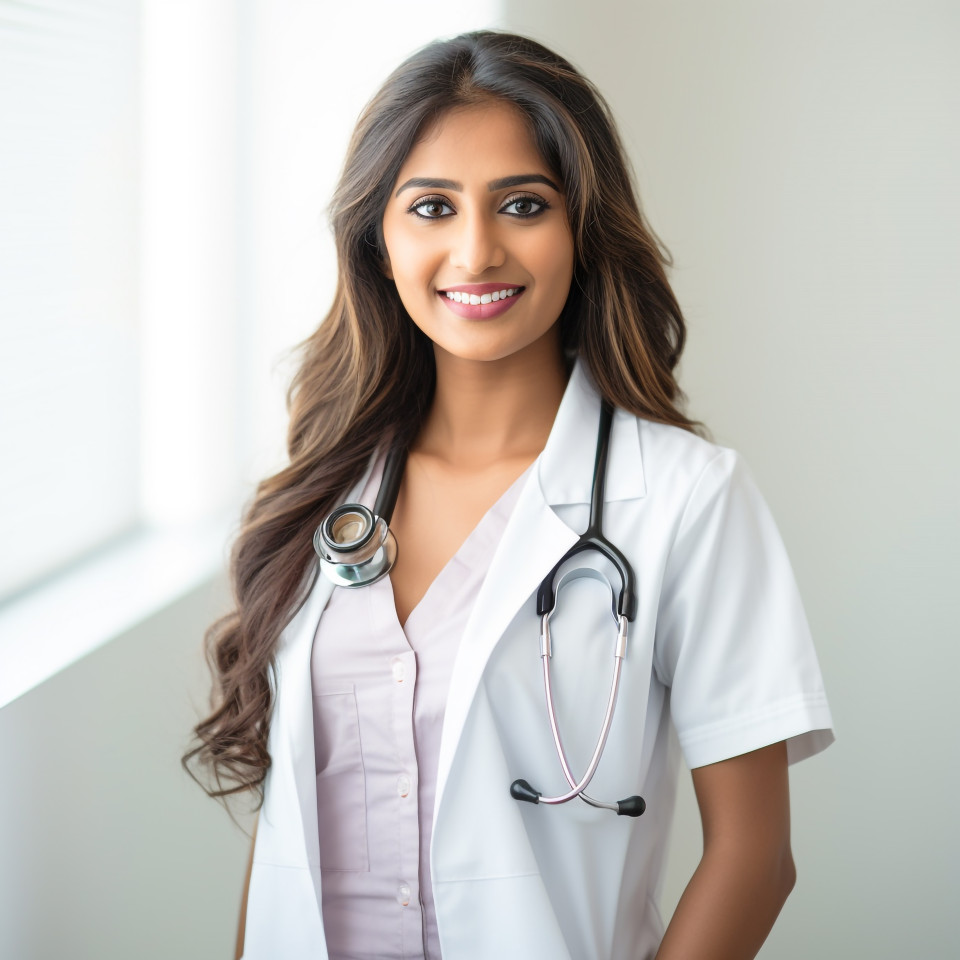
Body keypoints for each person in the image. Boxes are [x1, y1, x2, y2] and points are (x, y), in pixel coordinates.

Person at [184, 30, 834, 960]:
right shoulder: (320, 489)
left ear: (582, 231)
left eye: (523, 205)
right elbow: (287, 818)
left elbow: (754, 859)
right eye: (432, 208)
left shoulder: (686, 500)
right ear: (379, 242)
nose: (476, 250)